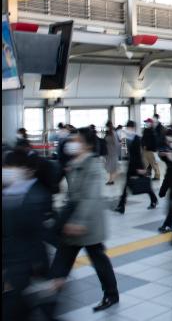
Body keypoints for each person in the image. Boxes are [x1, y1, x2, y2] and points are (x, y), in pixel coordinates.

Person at [50, 127, 119, 312]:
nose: (72, 144)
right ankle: (51, 297)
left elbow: (90, 196)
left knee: (99, 260)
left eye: (77, 141)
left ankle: (111, 294)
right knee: (63, 258)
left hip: (87, 224)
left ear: (87, 145)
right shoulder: (74, 162)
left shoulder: (93, 165)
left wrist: (79, 222)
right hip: (74, 221)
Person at [3, 149, 54, 320]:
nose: (7, 171)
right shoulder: (8, 194)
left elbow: (39, 235)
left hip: (21, 265)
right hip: (12, 264)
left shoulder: (36, 196)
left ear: (25, 170)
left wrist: (42, 268)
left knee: (15, 308)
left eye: (12, 167)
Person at [114, 121, 158, 213]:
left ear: (133, 128)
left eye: (130, 127)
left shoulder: (137, 138)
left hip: (137, 165)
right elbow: (125, 151)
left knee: (144, 184)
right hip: (131, 165)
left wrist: (141, 168)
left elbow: (138, 154)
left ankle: (153, 199)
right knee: (126, 186)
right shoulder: (125, 137)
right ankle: (121, 206)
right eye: (128, 127)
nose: (129, 129)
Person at [103, 121, 121, 185]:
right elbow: (115, 143)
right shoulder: (110, 133)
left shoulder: (111, 133)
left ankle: (111, 180)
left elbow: (116, 143)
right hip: (110, 152)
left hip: (111, 152)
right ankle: (111, 180)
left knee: (112, 167)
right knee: (111, 167)